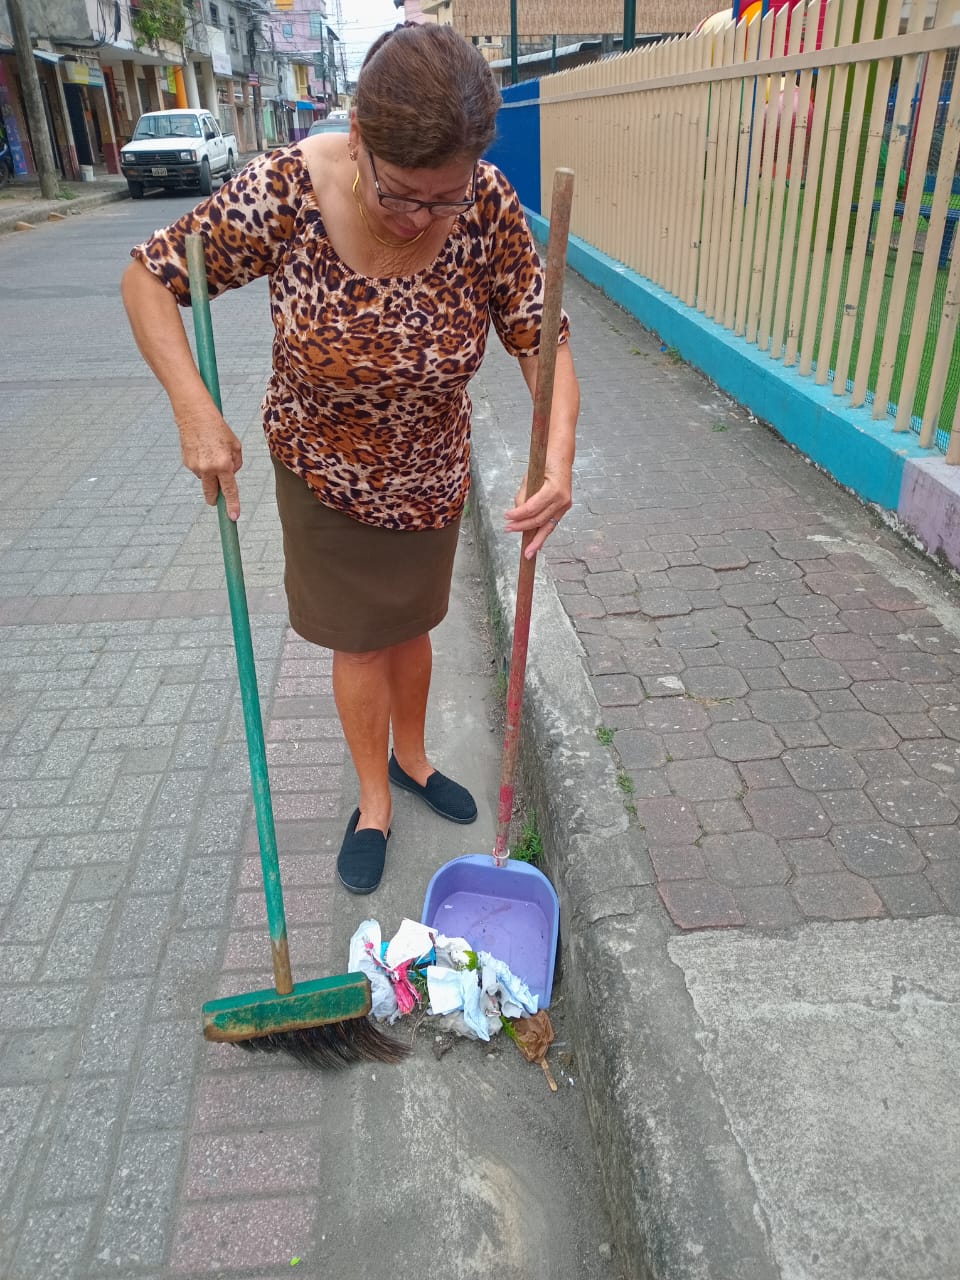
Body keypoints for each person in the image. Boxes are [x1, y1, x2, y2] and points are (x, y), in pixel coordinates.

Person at [121, 23, 580, 895]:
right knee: (361, 643)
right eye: (403, 192)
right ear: (359, 134)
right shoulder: (284, 190)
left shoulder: (484, 205)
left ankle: (413, 758)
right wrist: (194, 409)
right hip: (323, 472)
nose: (421, 218)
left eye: (444, 199)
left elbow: (539, 340)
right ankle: (373, 800)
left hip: (431, 470)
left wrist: (557, 461)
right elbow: (149, 278)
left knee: (414, 623)